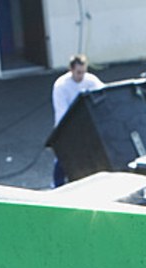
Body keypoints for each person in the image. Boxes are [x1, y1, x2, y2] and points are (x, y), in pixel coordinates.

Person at [50, 54, 104, 186]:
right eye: (78, 72)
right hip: (66, 125)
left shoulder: (91, 80)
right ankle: (57, 184)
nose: (81, 76)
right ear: (71, 70)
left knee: (89, 155)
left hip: (85, 124)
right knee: (63, 156)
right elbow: (61, 112)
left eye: (84, 72)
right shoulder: (61, 86)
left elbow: (103, 95)